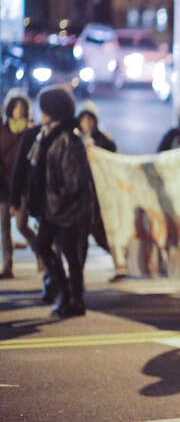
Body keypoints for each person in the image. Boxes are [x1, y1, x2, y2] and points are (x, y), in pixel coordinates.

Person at [26, 86, 93, 317]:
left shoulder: (66, 139)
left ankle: (72, 299)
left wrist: (59, 202)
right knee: (52, 248)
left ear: (53, 111)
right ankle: (67, 295)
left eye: (44, 108)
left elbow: (73, 180)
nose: (40, 112)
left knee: (68, 254)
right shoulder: (46, 135)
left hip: (66, 209)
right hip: (53, 207)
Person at [75, 101, 126, 281]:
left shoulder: (103, 139)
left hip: (100, 195)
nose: (87, 123)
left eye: (90, 119)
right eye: (84, 119)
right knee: (81, 237)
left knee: (101, 234)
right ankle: (77, 275)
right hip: (81, 196)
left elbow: (113, 162)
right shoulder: (74, 139)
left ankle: (121, 265)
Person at [0, 90, 35, 278]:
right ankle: (7, 265)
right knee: (4, 227)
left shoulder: (29, 132)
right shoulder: (3, 130)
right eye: (16, 107)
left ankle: (41, 252)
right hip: (4, 186)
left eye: (22, 107)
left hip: (21, 186)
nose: (19, 111)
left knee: (22, 225)